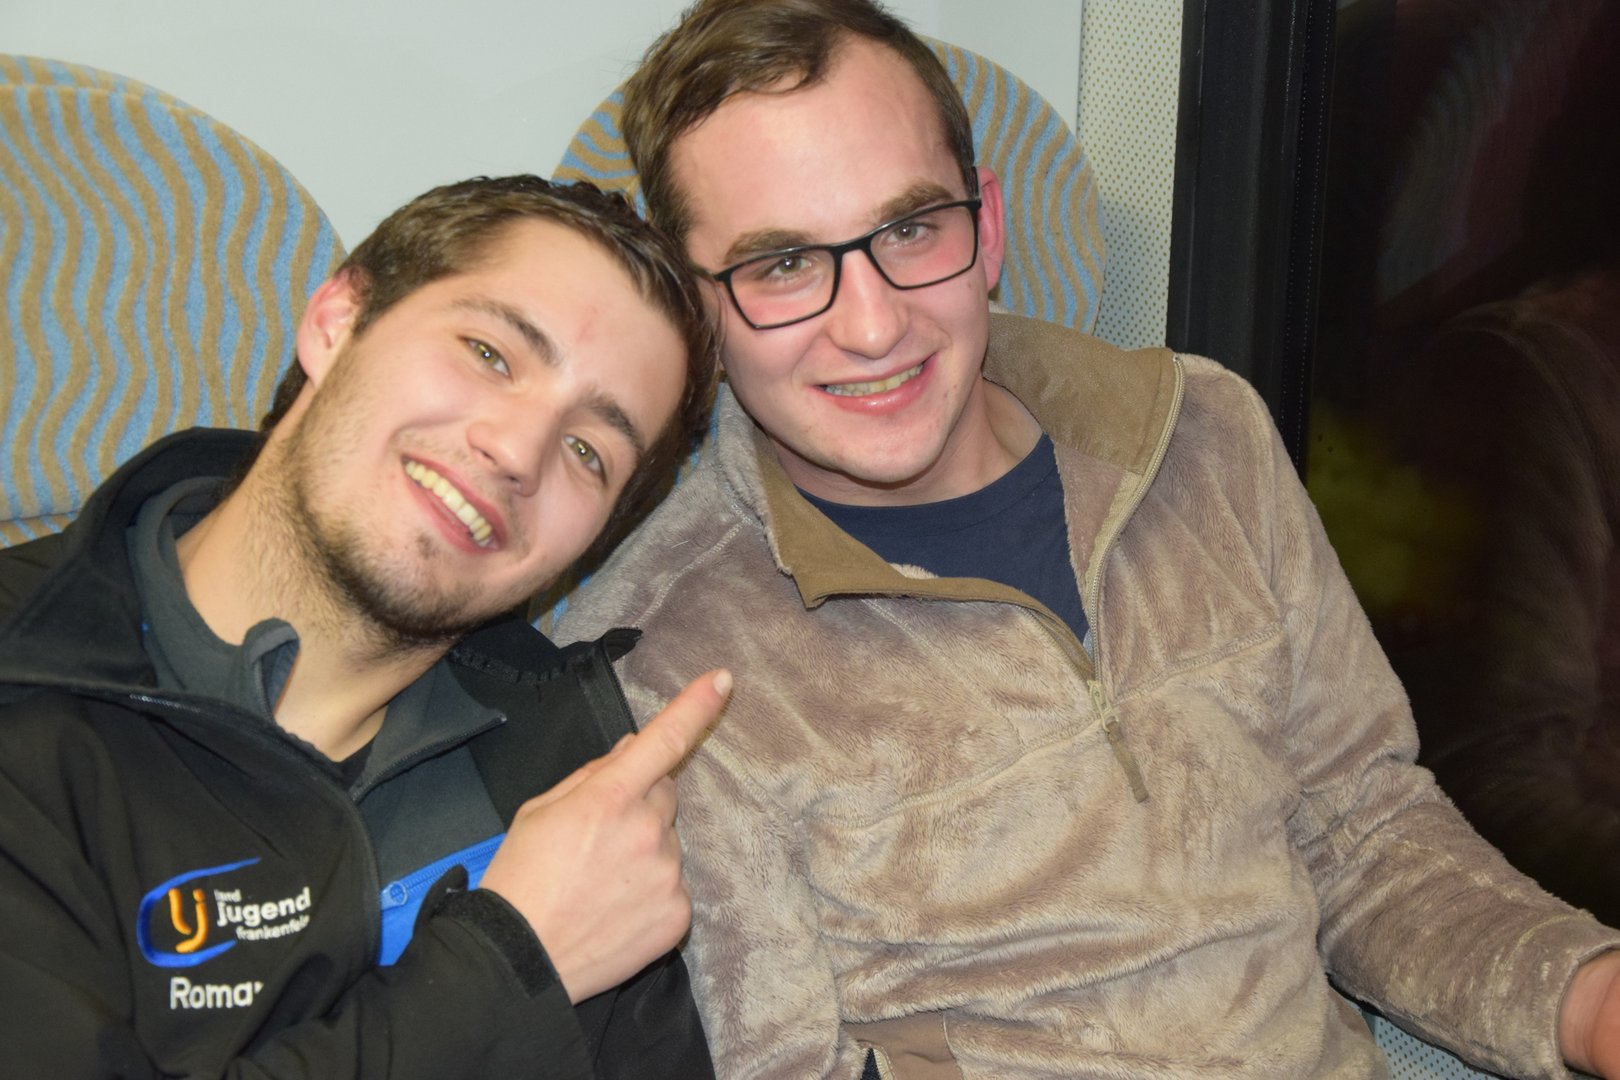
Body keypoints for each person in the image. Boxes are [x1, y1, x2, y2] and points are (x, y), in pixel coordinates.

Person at [555, 2, 1620, 1077]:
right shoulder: (664, 661)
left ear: (989, 230)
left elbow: (1362, 830)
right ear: (700, 313)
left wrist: (1588, 1001)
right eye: (782, 264)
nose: (872, 325)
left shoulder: (1203, 436)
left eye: (912, 229)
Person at [0, 175, 728, 1079]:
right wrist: (507, 967)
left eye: (589, 451)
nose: (517, 451)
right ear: (337, 320)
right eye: (489, 353)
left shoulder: (567, 764)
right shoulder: (28, 701)